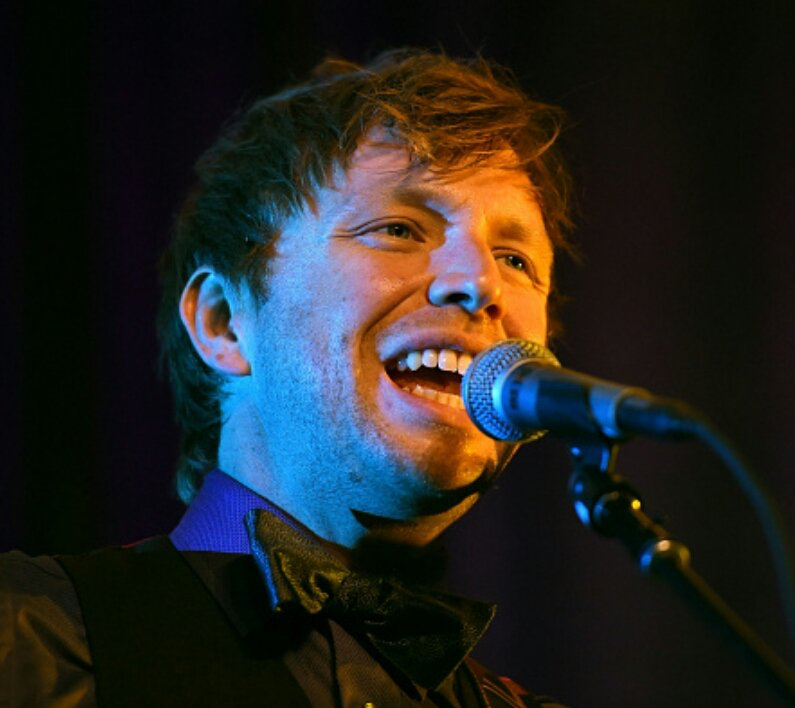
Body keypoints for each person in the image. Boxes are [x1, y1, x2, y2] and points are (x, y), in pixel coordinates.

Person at [0, 49, 573, 706]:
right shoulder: (29, 635)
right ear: (224, 322)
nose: (479, 282)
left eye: (515, 259)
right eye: (397, 229)